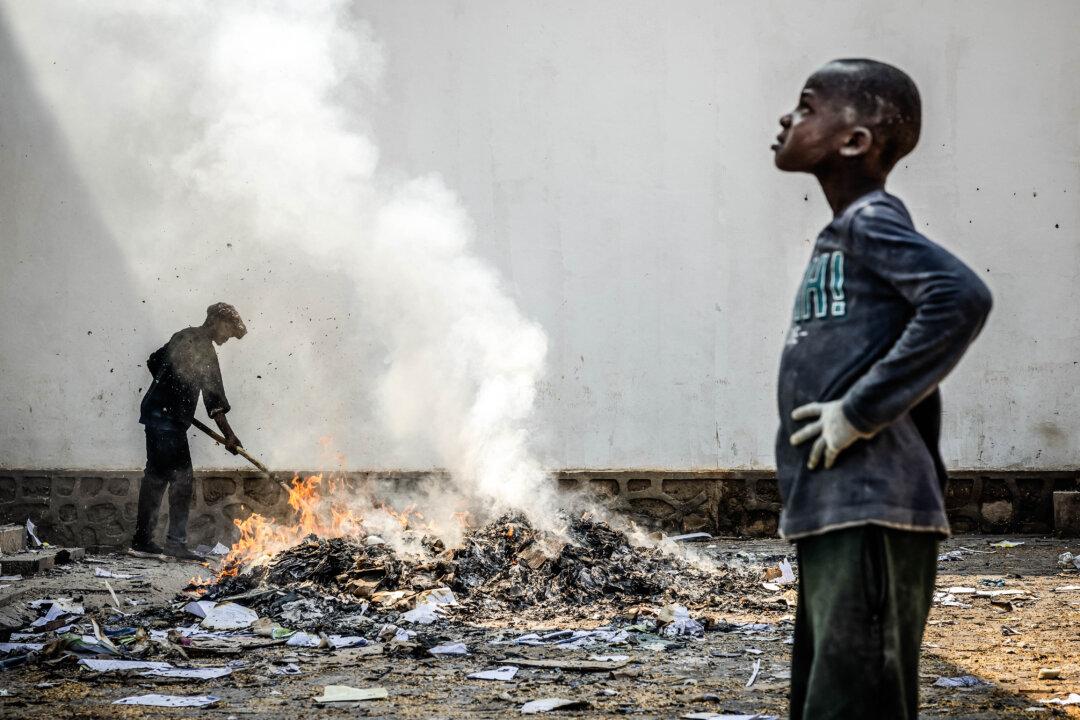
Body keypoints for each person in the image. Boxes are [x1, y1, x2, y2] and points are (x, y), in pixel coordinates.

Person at [771, 59, 992, 719]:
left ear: (855, 141)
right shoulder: (844, 234)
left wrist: (858, 413)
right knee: (828, 697)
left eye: (806, 107)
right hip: (835, 508)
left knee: (855, 703)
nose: (787, 117)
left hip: (871, 511)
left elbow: (961, 296)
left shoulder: (869, 222)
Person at [132, 303, 248, 559]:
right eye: (229, 330)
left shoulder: (182, 335)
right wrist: (229, 436)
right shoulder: (204, 349)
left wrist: (172, 390)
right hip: (169, 421)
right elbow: (214, 401)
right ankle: (175, 543)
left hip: (155, 414)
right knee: (182, 479)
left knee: (156, 477)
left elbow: (154, 361)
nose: (228, 338)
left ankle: (141, 541)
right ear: (217, 320)